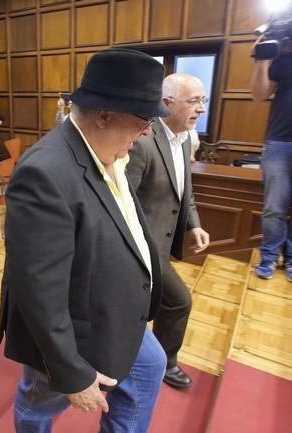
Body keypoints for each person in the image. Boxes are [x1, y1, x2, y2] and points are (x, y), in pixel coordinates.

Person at [0, 48, 167, 433]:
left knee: (149, 366)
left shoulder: (110, 151)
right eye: (144, 120)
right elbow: (39, 288)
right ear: (105, 114)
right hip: (73, 326)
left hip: (112, 311)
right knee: (41, 401)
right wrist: (72, 373)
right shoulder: (44, 172)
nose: (148, 133)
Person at [126, 73, 211, 389]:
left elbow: (184, 190)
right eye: (193, 101)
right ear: (166, 102)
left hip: (162, 247)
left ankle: (156, 361)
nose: (200, 108)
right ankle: (161, 363)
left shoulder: (187, 137)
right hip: (142, 249)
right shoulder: (142, 141)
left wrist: (195, 224)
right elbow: (123, 201)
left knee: (164, 304)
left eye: (202, 100)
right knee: (177, 301)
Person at [250, 38, 292, 281]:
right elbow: (258, 94)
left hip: (279, 145)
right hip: (280, 142)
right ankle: (269, 257)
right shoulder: (283, 57)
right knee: (274, 208)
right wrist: (262, 58)